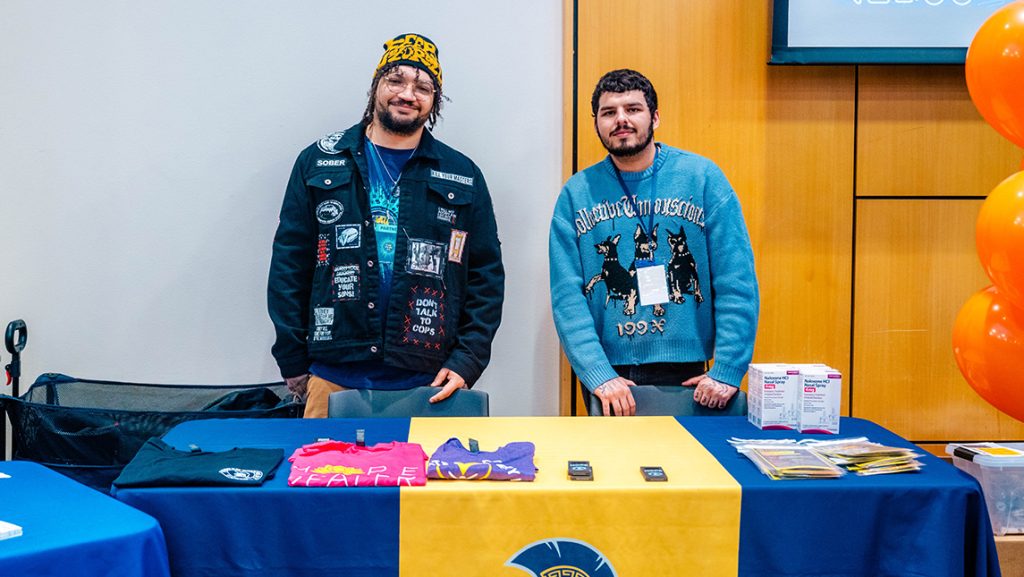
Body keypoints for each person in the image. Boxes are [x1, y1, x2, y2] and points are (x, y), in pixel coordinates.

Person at [269, 33, 504, 418]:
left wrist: (468, 360)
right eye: (396, 80)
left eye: (422, 86)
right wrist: (292, 358)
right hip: (332, 377)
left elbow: (485, 277)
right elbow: (289, 266)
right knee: (325, 478)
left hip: (427, 384)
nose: (407, 94)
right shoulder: (318, 162)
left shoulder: (462, 174)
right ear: (376, 85)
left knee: (418, 480)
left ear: (434, 101)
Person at [549, 69, 758, 416]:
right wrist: (598, 375)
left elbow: (736, 280)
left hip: (689, 372)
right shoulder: (576, 193)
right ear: (596, 123)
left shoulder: (703, 178)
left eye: (633, 109)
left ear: (655, 117)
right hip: (611, 381)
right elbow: (567, 298)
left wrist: (727, 369)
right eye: (609, 112)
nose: (621, 120)